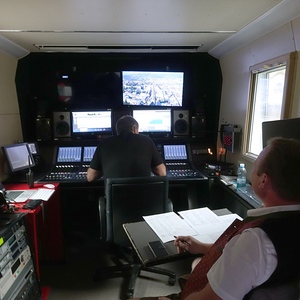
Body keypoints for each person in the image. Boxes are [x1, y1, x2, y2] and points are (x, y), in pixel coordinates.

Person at [132, 137, 300, 300]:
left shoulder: (255, 240)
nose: (252, 169)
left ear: (263, 180)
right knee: (197, 262)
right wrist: (202, 247)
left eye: (255, 167)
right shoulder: (284, 223)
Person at [87, 115, 166, 181]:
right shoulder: (147, 141)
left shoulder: (104, 143)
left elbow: (90, 177)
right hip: (143, 198)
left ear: (118, 130)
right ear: (135, 129)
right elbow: (162, 172)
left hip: (115, 199)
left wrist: (105, 168)